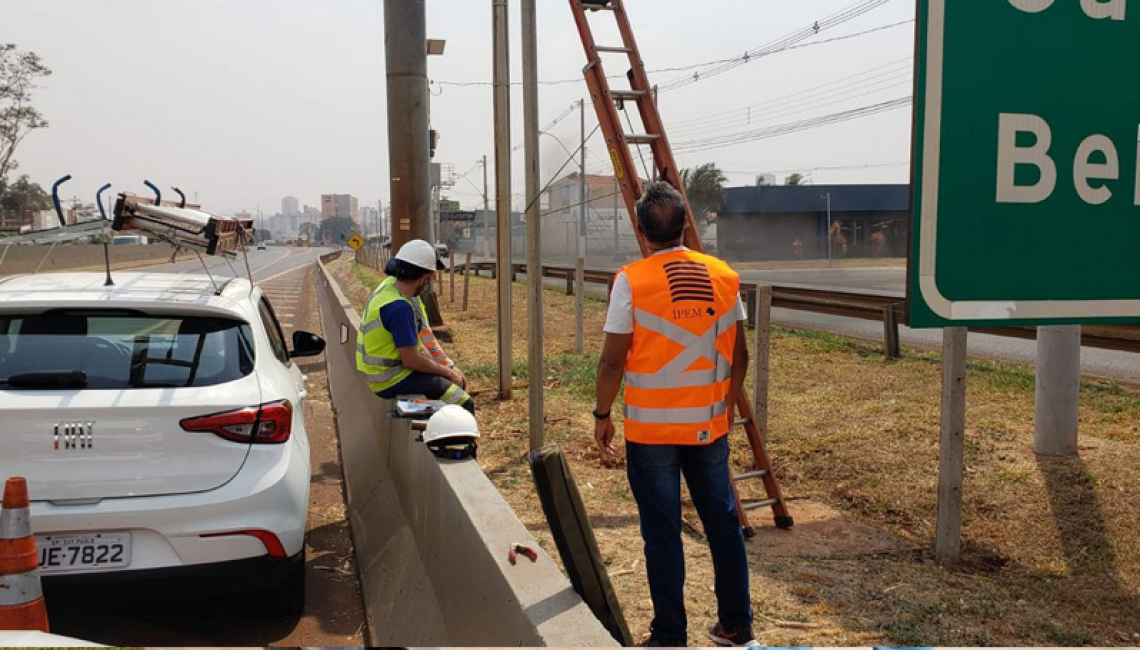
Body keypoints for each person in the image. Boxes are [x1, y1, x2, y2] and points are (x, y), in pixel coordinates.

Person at [593, 181, 754, 647]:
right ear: (688, 225)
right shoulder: (724, 277)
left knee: (662, 532)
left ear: (641, 233)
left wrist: (602, 413)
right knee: (722, 523)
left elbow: (612, 360)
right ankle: (736, 625)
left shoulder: (632, 281)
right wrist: (723, 406)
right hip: (709, 427)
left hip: (651, 433)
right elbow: (739, 356)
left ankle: (669, 636)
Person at [357, 239, 473, 413]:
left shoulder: (387, 290)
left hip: (380, 376)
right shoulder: (400, 308)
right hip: (392, 379)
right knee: (463, 401)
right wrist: (447, 373)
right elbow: (411, 360)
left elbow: (418, 346)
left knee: (443, 382)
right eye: (430, 278)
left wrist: (444, 368)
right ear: (423, 279)